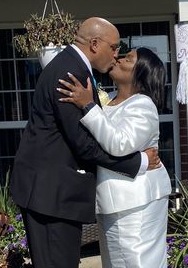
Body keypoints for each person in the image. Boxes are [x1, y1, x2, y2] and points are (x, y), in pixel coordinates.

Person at [10, 18, 161, 268]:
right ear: (94, 44)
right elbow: (84, 144)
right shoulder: (71, 74)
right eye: (114, 47)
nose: (116, 54)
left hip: (55, 193)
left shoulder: (73, 68)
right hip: (51, 194)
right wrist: (140, 161)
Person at [58, 47, 173, 268]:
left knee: (138, 262)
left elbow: (120, 144)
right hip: (112, 200)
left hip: (137, 202)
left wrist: (88, 106)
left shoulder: (143, 104)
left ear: (141, 75)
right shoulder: (109, 99)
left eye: (128, 59)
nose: (119, 60)